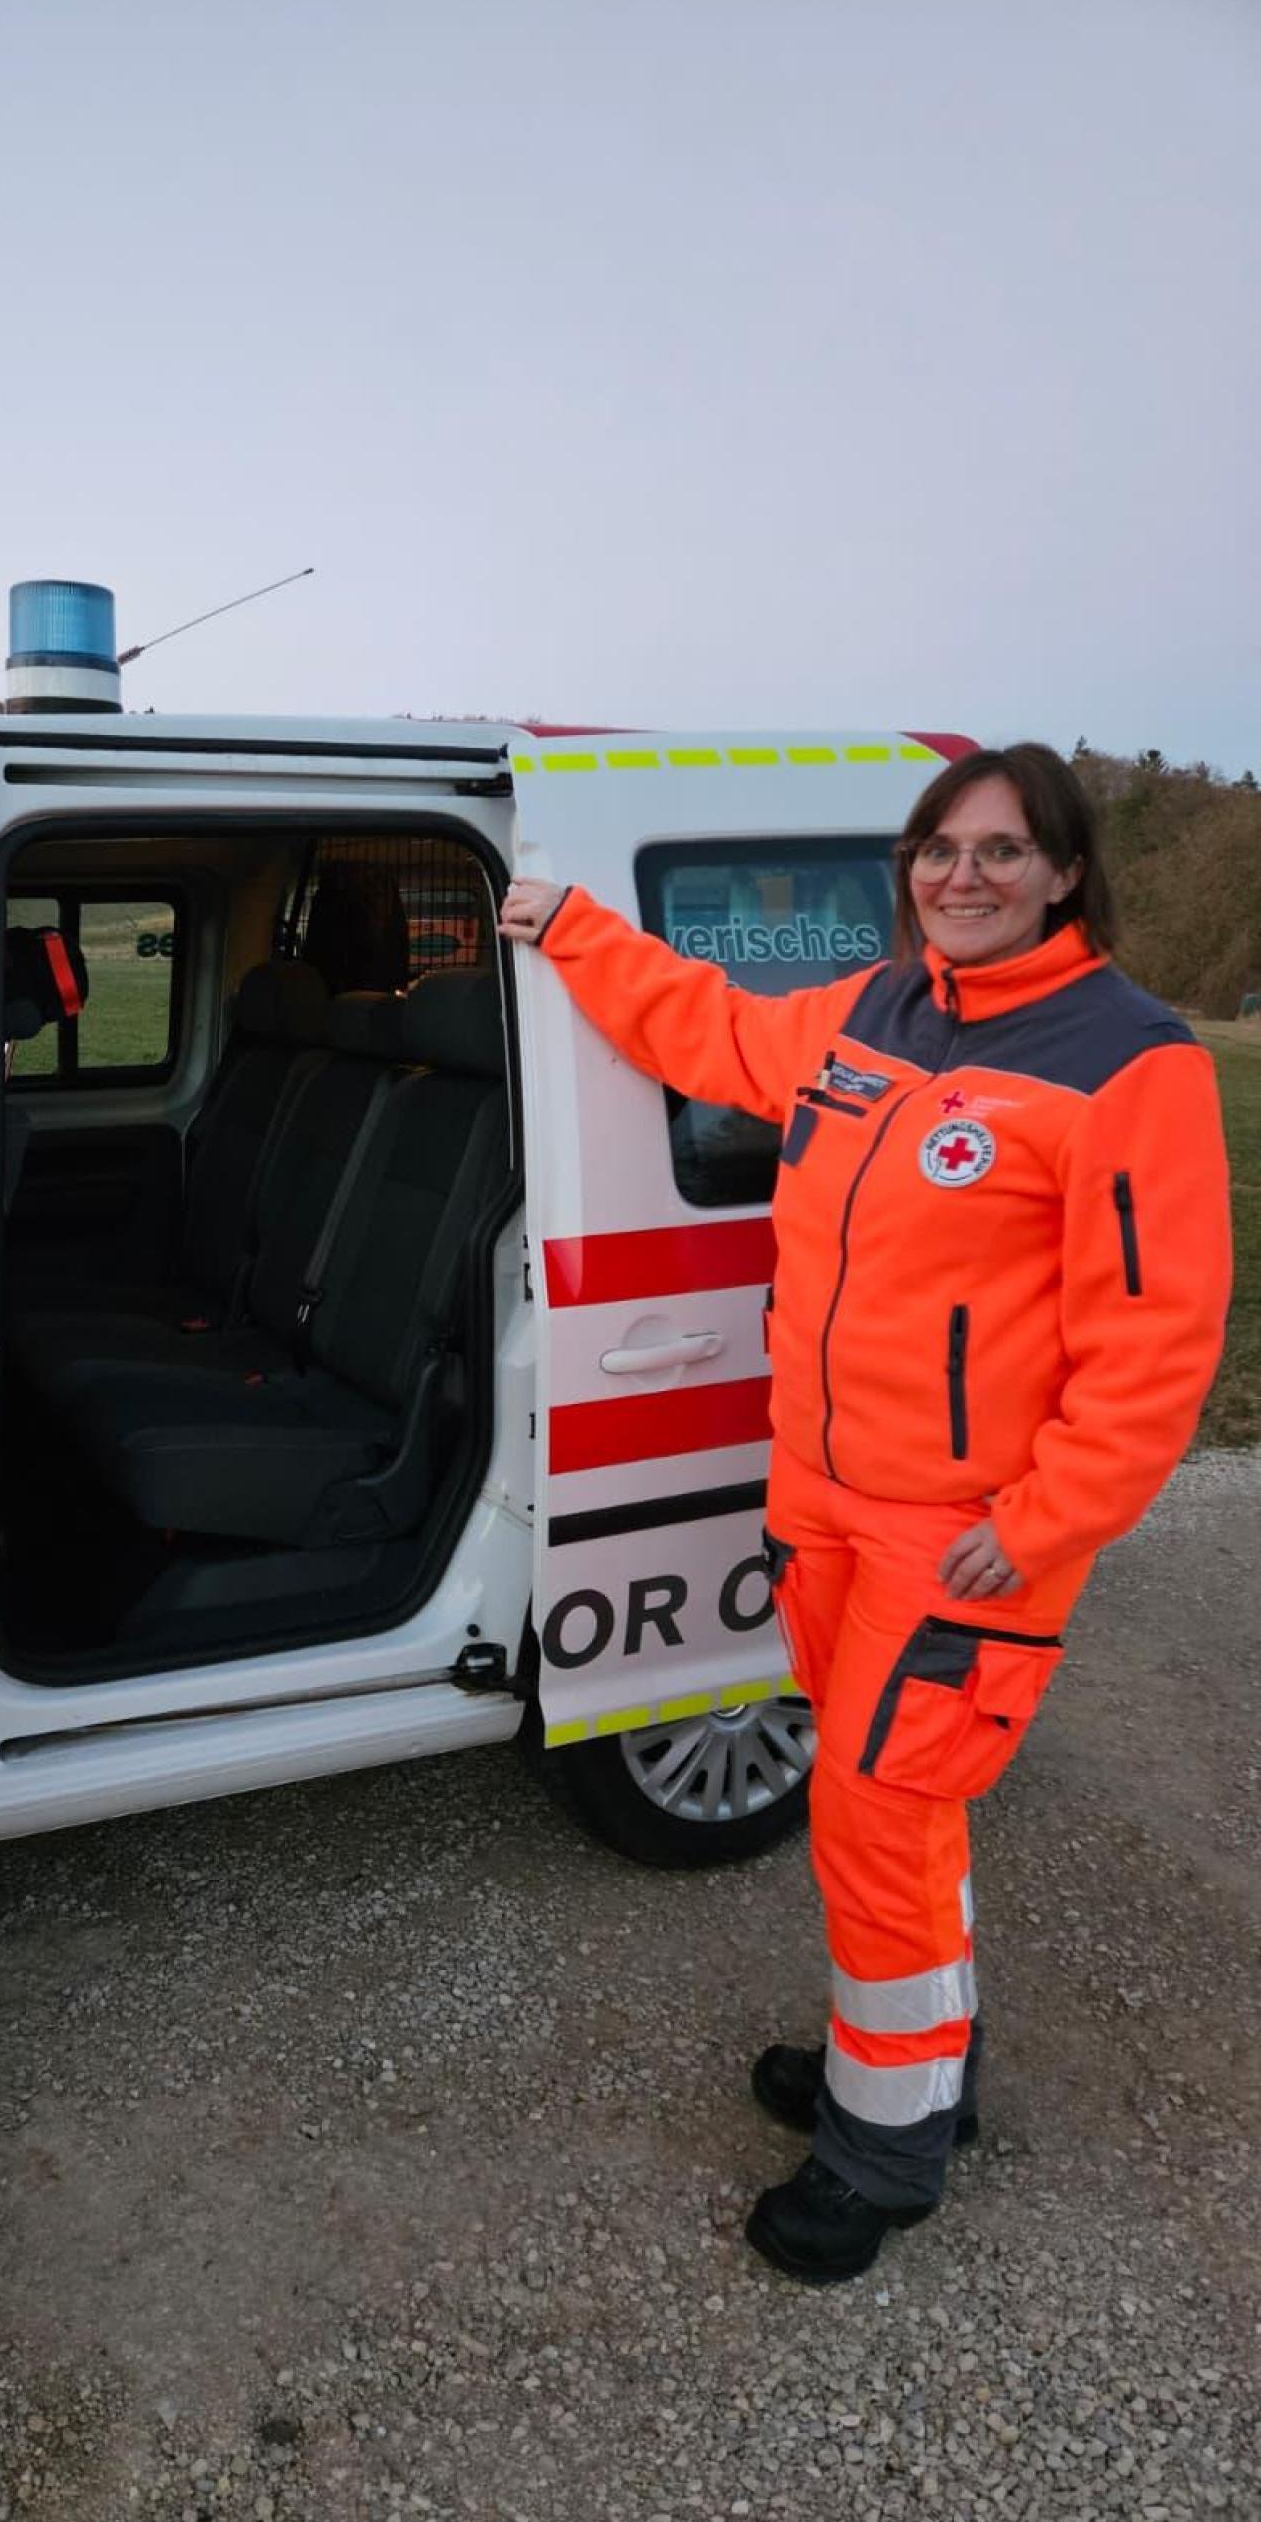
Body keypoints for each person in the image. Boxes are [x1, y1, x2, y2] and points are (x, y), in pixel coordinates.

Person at [500, 744, 1231, 2284]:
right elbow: (705, 1027)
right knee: (894, 1805)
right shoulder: (873, 1010)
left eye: (1001, 853)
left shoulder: (1127, 1059)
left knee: (877, 1819)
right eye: (940, 851)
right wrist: (571, 924)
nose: (962, 878)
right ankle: (914, 2064)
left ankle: (885, 2154)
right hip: (823, 1503)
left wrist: (1043, 1524)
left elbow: (1158, 1342)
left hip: (961, 1534)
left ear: (1066, 873)